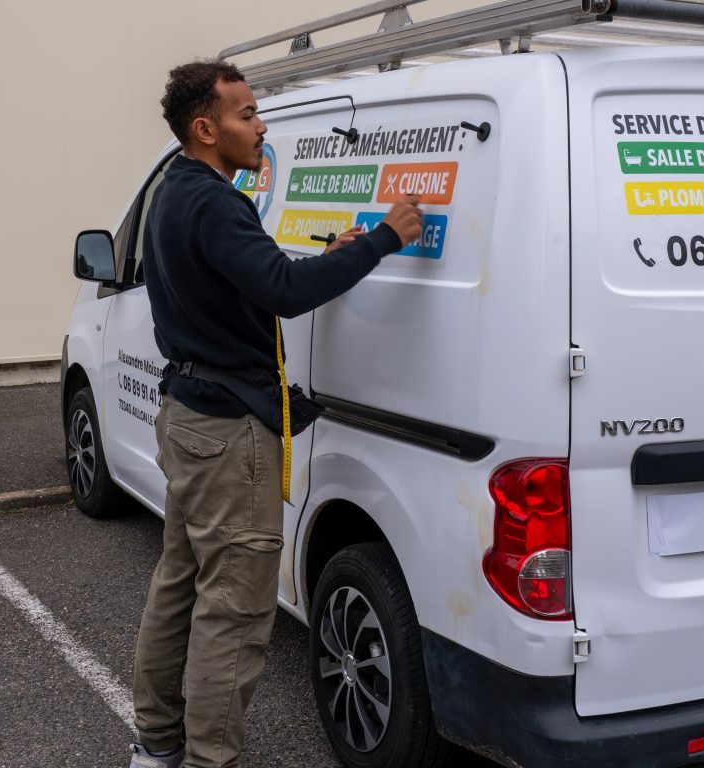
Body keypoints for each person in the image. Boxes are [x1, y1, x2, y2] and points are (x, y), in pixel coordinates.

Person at [129, 60, 423, 768]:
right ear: (206, 128)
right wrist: (386, 238)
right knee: (233, 611)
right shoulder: (215, 202)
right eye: (247, 115)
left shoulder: (179, 192)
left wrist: (335, 253)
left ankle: (156, 743)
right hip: (229, 434)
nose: (261, 126)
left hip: (191, 418)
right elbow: (284, 291)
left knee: (180, 583)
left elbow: (251, 277)